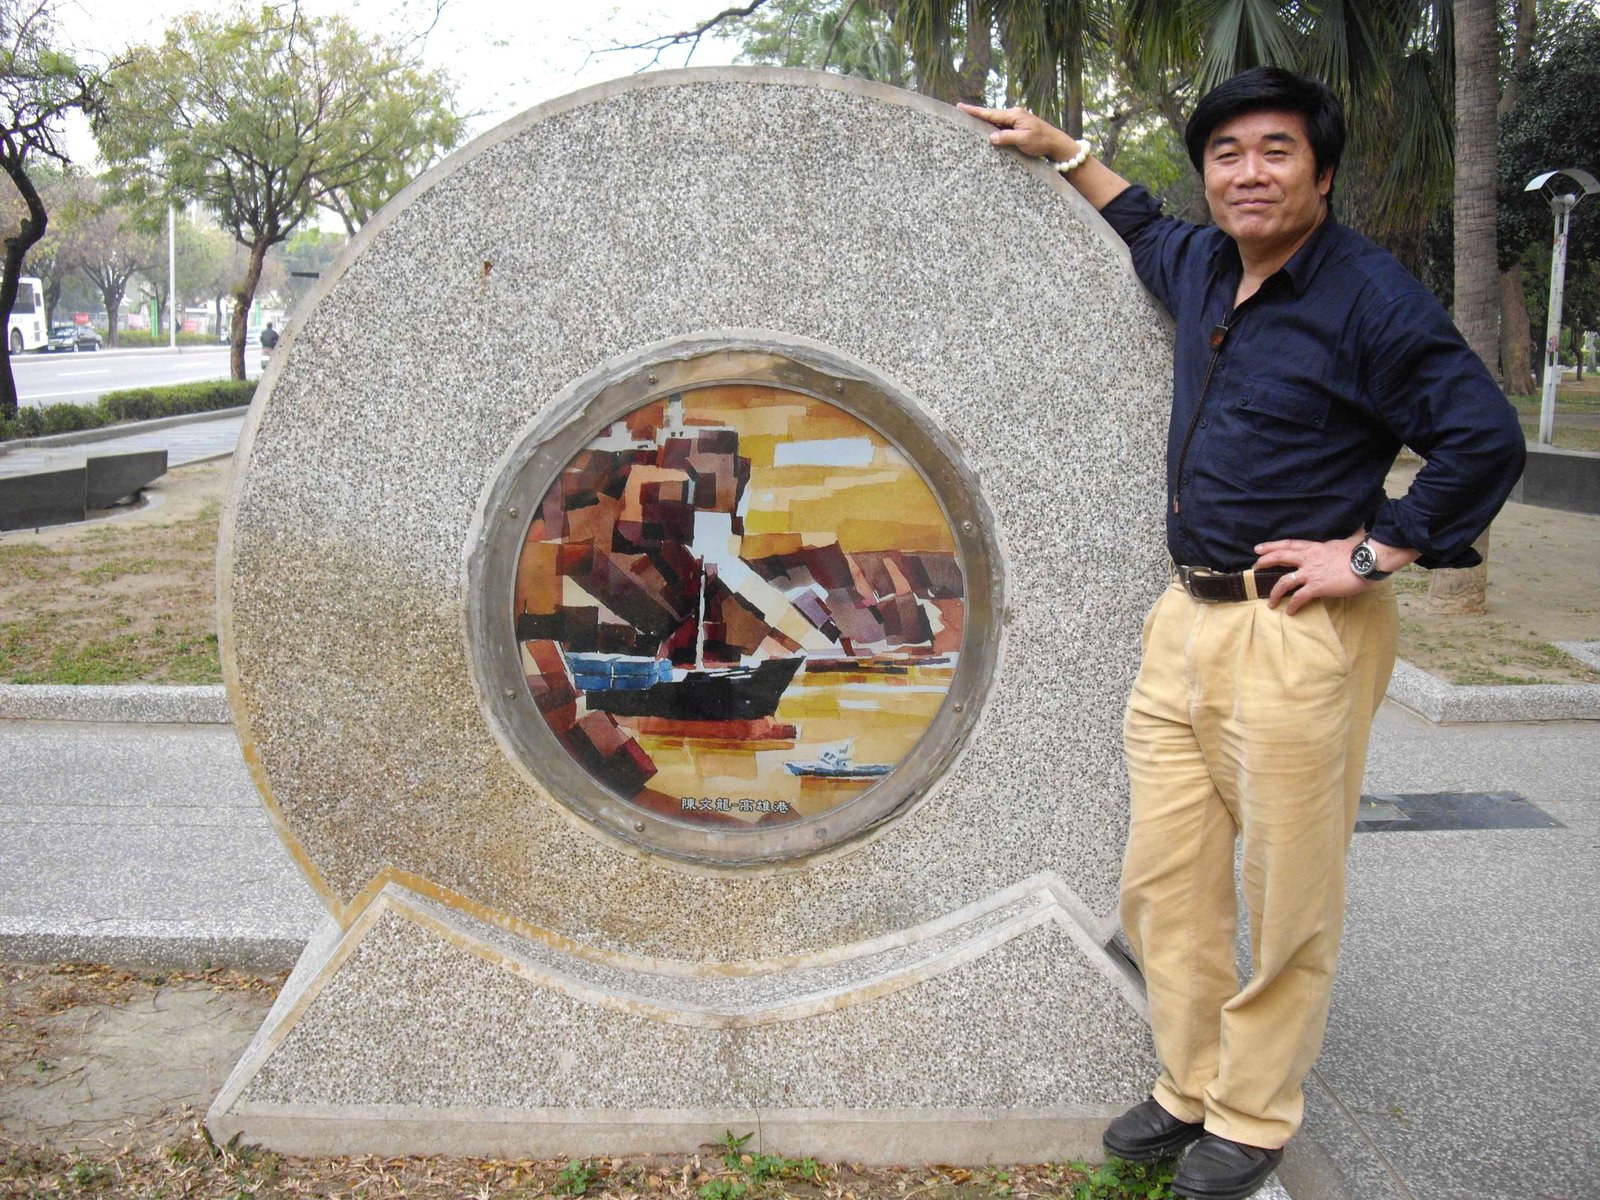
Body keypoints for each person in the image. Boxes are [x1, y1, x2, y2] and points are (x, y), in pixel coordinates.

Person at [962, 69, 1524, 1200]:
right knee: (1163, 882)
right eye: (1226, 154)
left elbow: (1483, 438)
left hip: (1296, 631)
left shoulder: (1370, 297)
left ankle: (1255, 1113)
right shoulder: (1206, 266)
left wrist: (1370, 553)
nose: (1249, 173)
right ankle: (1190, 1084)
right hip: (1185, 619)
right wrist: (1063, 149)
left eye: (1276, 151)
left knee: (1289, 892)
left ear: (1322, 171)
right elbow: (1138, 221)